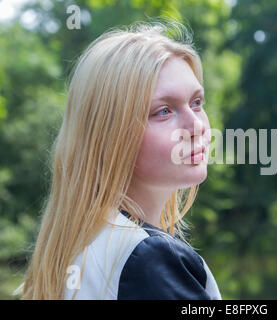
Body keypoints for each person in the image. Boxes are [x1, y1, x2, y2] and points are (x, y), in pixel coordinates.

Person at [17, 18, 221, 300]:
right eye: (164, 111)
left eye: (196, 102)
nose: (197, 126)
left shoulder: (79, 248)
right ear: (111, 134)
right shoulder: (149, 258)